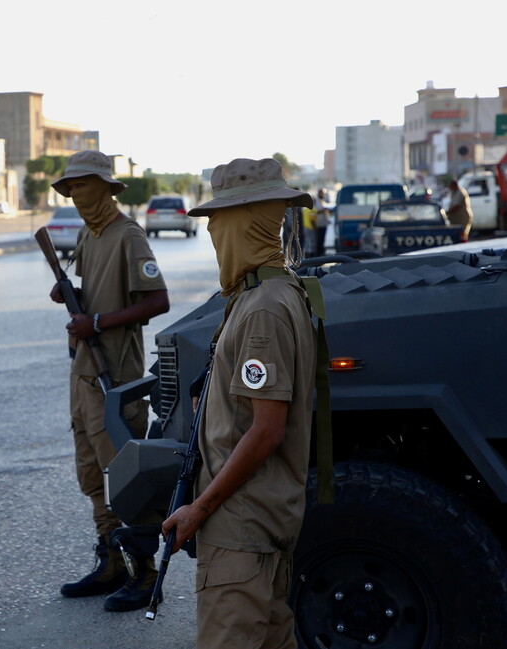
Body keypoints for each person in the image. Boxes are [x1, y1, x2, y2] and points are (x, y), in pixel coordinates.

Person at [162, 158, 317, 649]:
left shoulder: (263, 307)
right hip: (262, 519)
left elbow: (267, 430)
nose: (212, 237)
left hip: (241, 525)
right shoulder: (278, 291)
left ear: (241, 223)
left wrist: (198, 510)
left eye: (217, 224)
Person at [48, 150, 170, 612]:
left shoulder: (128, 237)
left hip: (114, 377)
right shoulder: (87, 235)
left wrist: (96, 322)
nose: (74, 194)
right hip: (83, 372)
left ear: (103, 187)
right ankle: (112, 563)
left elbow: (158, 301)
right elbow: (89, 292)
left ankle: (144, 574)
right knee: (90, 473)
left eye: (80, 186)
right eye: (69, 188)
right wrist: (70, 295)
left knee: (122, 476)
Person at [313, 188, 330, 255]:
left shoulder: (323, 201)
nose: (323, 194)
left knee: (322, 239)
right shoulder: (315, 201)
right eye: (322, 193)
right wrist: (322, 211)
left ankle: (321, 252)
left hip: (324, 224)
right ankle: (318, 253)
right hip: (318, 224)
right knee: (318, 240)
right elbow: (313, 212)